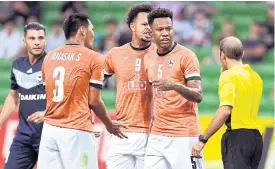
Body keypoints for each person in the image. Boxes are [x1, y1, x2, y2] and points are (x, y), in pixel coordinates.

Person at [34, 13, 127, 169]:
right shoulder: (94, 58)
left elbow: (51, 97)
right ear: (83, 31)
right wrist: (108, 124)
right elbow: (94, 100)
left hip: (50, 131)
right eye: (92, 29)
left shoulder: (49, 57)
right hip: (76, 131)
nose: (94, 33)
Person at [144, 8, 204, 169]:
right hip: (157, 135)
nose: (165, 33)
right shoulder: (148, 58)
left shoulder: (186, 56)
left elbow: (198, 95)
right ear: (151, 32)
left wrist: (174, 85)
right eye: (160, 29)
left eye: (168, 29)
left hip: (183, 135)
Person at [192, 36, 263, 169]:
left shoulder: (229, 76)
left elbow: (225, 110)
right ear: (242, 53)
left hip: (237, 137)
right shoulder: (256, 76)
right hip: (256, 137)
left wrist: (203, 139)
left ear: (222, 55)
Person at [104, 3, 154, 169]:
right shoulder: (115, 54)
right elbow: (92, 86)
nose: (149, 28)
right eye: (145, 24)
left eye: (152, 24)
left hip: (151, 133)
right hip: (122, 131)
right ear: (132, 26)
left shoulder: (160, 54)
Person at [0, 22, 47, 169]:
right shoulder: (17, 64)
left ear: (45, 40)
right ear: (24, 41)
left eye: (40, 38)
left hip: (49, 136)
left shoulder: (52, 63)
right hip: (24, 136)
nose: (37, 42)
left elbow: (66, 97)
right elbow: (13, 97)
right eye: (32, 38)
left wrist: (47, 113)